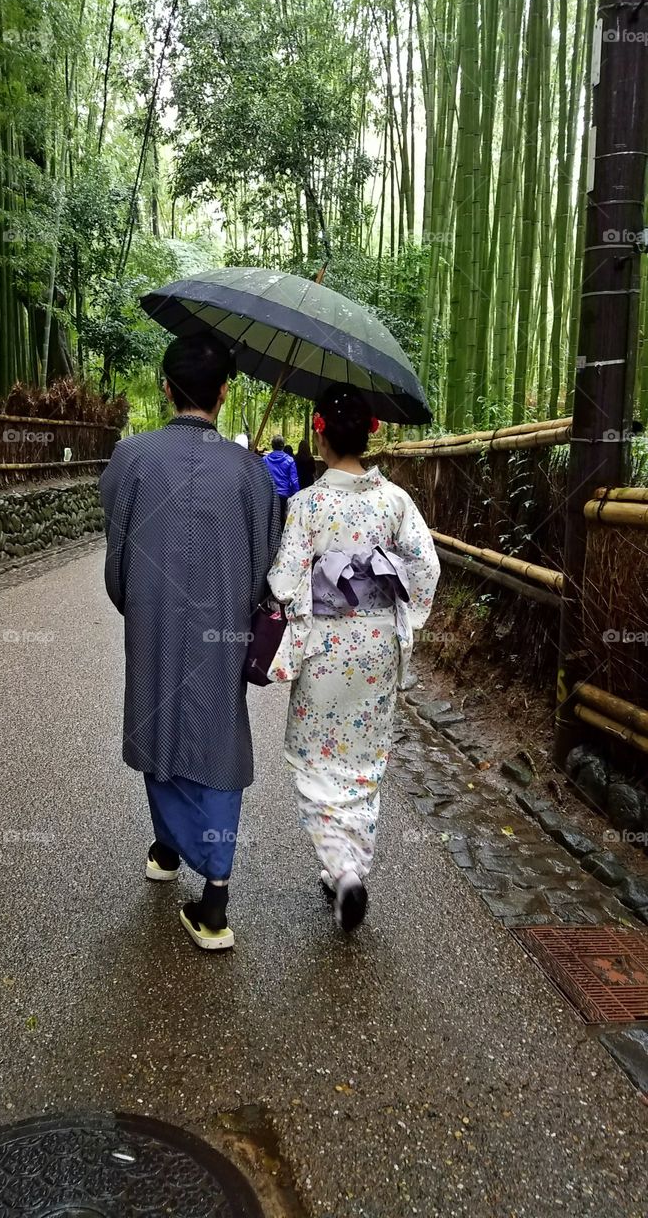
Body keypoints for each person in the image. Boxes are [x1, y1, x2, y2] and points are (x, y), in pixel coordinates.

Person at [100, 333, 280, 951]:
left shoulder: (132, 457)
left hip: (153, 620)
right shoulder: (252, 473)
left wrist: (138, 602)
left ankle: (172, 852)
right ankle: (213, 895)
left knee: (159, 725)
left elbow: (117, 553)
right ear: (225, 393)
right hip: (224, 626)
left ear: (164, 385)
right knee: (216, 736)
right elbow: (265, 568)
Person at [267, 382, 439, 933]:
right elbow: (425, 569)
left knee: (317, 761)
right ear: (372, 432)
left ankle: (340, 870)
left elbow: (285, 579)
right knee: (363, 763)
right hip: (375, 649)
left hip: (324, 646)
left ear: (319, 433)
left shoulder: (307, 504)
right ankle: (353, 869)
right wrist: (403, 620)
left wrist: (299, 606)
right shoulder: (396, 502)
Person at [263, 434, 299, 525]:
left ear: (272, 445)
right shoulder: (290, 460)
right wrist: (297, 495)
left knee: (269, 521)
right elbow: (294, 481)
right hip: (284, 495)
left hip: (269, 495)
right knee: (282, 522)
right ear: (283, 446)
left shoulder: (264, 460)